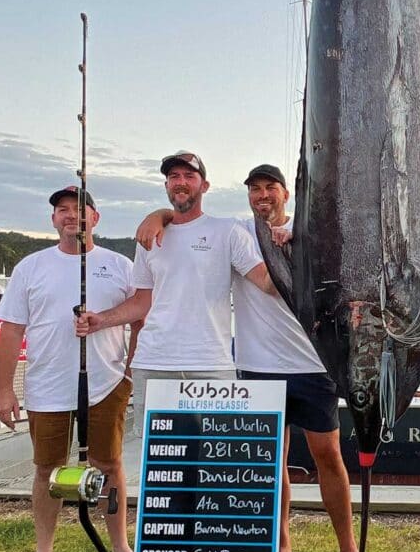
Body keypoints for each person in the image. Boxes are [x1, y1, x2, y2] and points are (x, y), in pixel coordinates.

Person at [132, 163, 371, 552]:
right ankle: (281, 545)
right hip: (256, 368)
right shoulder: (237, 231)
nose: (263, 196)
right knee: (271, 463)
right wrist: (159, 215)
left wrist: (297, 245)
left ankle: (348, 548)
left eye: (271, 188)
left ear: (286, 194)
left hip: (313, 366)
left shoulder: (312, 234)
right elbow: (189, 216)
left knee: (328, 457)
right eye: (255, 189)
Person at [0, 186, 140, 552]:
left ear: (95, 218)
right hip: (47, 384)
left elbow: (140, 315)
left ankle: (121, 546)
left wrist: (130, 365)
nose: (70, 216)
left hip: (106, 381)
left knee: (109, 464)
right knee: (46, 468)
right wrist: (4, 389)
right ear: (53, 219)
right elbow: (10, 331)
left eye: (80, 209)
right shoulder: (30, 267)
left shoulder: (120, 265)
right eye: (62, 210)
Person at [76, 152, 277, 436]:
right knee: (160, 461)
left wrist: (301, 249)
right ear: (166, 186)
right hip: (153, 363)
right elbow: (142, 301)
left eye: (189, 176)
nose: (180, 182)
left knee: (214, 458)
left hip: (211, 365)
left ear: (204, 186)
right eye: (174, 177)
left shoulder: (227, 231)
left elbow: (267, 282)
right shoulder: (148, 237)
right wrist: (102, 320)